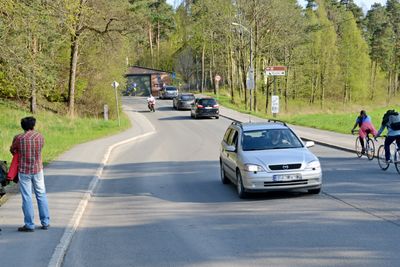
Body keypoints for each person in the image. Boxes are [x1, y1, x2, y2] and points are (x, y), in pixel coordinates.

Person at [10, 116, 50, 232]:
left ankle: (29, 224)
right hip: (38, 170)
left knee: (27, 197)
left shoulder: (19, 138)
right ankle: (45, 222)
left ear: (23, 126)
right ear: (33, 125)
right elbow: (41, 148)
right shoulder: (40, 137)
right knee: (41, 194)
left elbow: (13, 150)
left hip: (24, 171)